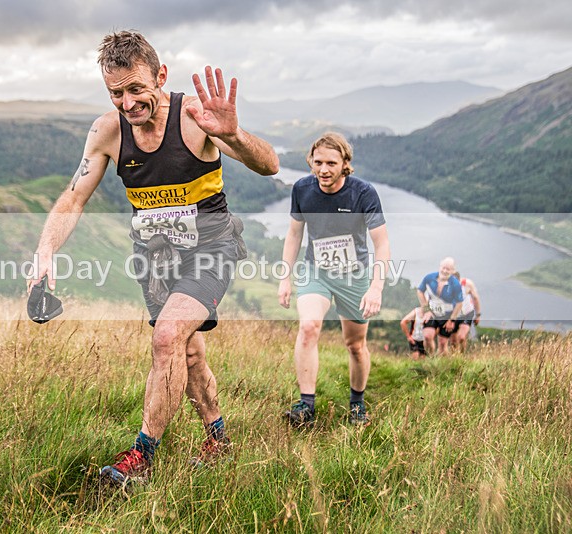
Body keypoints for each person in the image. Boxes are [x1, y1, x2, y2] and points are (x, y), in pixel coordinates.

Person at [28, 31, 279, 488]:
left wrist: (234, 135)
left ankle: (140, 460)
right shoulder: (107, 131)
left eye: (136, 89)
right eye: (116, 93)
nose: (127, 103)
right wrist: (45, 250)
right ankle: (218, 438)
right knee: (187, 349)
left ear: (161, 76)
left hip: (211, 246)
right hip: (156, 257)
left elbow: (270, 166)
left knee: (166, 337)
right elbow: (73, 197)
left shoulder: (193, 118)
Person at [278, 132, 390, 428]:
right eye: (318, 162)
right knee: (309, 327)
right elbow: (294, 234)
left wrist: (376, 287)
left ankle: (357, 403)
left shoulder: (363, 193)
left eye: (331, 162)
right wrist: (285, 277)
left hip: (355, 275)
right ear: (310, 163)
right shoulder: (302, 189)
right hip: (318, 271)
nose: (323, 169)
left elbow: (382, 243)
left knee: (355, 344)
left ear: (345, 164)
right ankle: (306, 405)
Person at [417, 257, 464, 355]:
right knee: (427, 336)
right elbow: (420, 291)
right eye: (443, 268)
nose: (445, 271)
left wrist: (452, 320)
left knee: (442, 344)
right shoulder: (429, 278)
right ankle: (429, 359)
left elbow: (460, 303)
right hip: (432, 313)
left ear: (452, 271)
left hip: (447, 316)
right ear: (440, 267)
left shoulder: (455, 284)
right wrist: (426, 309)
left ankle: (443, 365)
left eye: (448, 269)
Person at [450, 271, 482, 352]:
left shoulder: (467, 284)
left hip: (466, 313)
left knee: (461, 337)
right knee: (453, 341)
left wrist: (478, 315)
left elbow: (476, 298)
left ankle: (462, 355)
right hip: (453, 315)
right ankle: (455, 359)